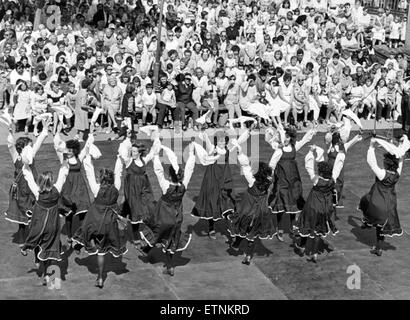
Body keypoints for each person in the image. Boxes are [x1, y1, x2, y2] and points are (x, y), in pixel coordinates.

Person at [73, 135, 128, 288]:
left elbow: (89, 171)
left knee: (85, 230)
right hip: (109, 221)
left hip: (95, 219)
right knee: (102, 251)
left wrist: (88, 156)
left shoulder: (97, 189)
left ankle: (80, 244)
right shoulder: (116, 187)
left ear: (101, 179)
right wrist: (120, 158)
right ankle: (100, 277)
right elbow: (119, 172)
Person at [139, 141, 196, 276]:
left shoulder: (166, 186)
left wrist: (156, 156)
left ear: (170, 175)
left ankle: (147, 249)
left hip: (163, 216)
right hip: (177, 218)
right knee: (172, 240)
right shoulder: (184, 185)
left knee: (156, 232)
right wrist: (192, 155)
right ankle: (169, 265)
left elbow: (158, 171)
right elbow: (189, 169)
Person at [227, 140, 279, 265]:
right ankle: (248, 255)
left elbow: (245, 166)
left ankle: (237, 243)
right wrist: (278, 152)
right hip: (260, 211)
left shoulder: (252, 181)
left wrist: (240, 153)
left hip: (247, 209)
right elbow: (272, 166)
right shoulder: (269, 182)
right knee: (253, 232)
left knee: (243, 226)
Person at [20, 154, 70, 285]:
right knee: (49, 249)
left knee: (37, 242)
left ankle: (31, 253)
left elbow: (29, 178)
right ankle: (48, 276)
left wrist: (25, 165)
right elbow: (63, 175)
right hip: (53, 226)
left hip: (40, 225)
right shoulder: (56, 191)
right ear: (51, 181)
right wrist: (65, 161)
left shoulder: (38, 192)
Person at [3, 115, 50, 248]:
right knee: (21, 215)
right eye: (29, 145)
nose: (31, 147)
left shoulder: (31, 155)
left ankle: (34, 236)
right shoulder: (16, 157)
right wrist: (11, 133)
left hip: (32, 187)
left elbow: (39, 142)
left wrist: (45, 130)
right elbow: (10, 145)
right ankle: (24, 239)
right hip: (20, 190)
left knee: (33, 212)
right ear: (22, 147)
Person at [293, 144, 345, 262]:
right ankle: (315, 253)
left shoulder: (316, 180)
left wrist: (311, 152)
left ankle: (301, 246)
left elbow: (309, 166)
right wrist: (341, 154)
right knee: (318, 231)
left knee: (306, 226)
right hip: (324, 208)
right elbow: (338, 167)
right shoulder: (333, 180)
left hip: (312, 206)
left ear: (321, 172)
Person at [358, 138, 408, 256]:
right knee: (381, 227)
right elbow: (400, 161)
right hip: (390, 203)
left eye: (385, 160)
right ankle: (378, 247)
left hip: (377, 200)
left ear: (387, 163)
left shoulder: (382, 174)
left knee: (364, 201)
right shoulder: (397, 174)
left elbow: (371, 163)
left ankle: (367, 222)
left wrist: (371, 146)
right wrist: (400, 150)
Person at [269, 125, 316, 241]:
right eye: (282, 138)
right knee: (281, 202)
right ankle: (279, 228)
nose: (283, 139)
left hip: (294, 180)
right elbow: (272, 164)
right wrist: (270, 176)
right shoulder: (279, 151)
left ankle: (292, 227)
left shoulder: (294, 147)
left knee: (293, 202)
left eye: (285, 137)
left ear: (290, 138)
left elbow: (304, 140)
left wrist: (311, 131)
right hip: (282, 180)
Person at [191, 130, 236, 239]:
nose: (222, 142)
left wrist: (247, 131)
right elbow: (206, 138)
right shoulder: (212, 149)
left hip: (224, 179)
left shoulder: (227, 149)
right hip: (212, 179)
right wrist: (203, 131)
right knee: (212, 202)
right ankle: (211, 228)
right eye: (220, 140)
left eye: (224, 140)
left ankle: (231, 227)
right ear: (216, 141)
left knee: (227, 202)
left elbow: (237, 142)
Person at [53, 127, 92, 247]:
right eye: (67, 150)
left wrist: (90, 136)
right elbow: (57, 147)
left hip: (80, 188)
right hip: (69, 188)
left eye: (70, 150)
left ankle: (80, 237)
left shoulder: (79, 158)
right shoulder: (64, 160)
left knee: (82, 212)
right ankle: (70, 237)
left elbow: (86, 148)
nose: (68, 152)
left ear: (75, 150)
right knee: (69, 214)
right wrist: (58, 132)